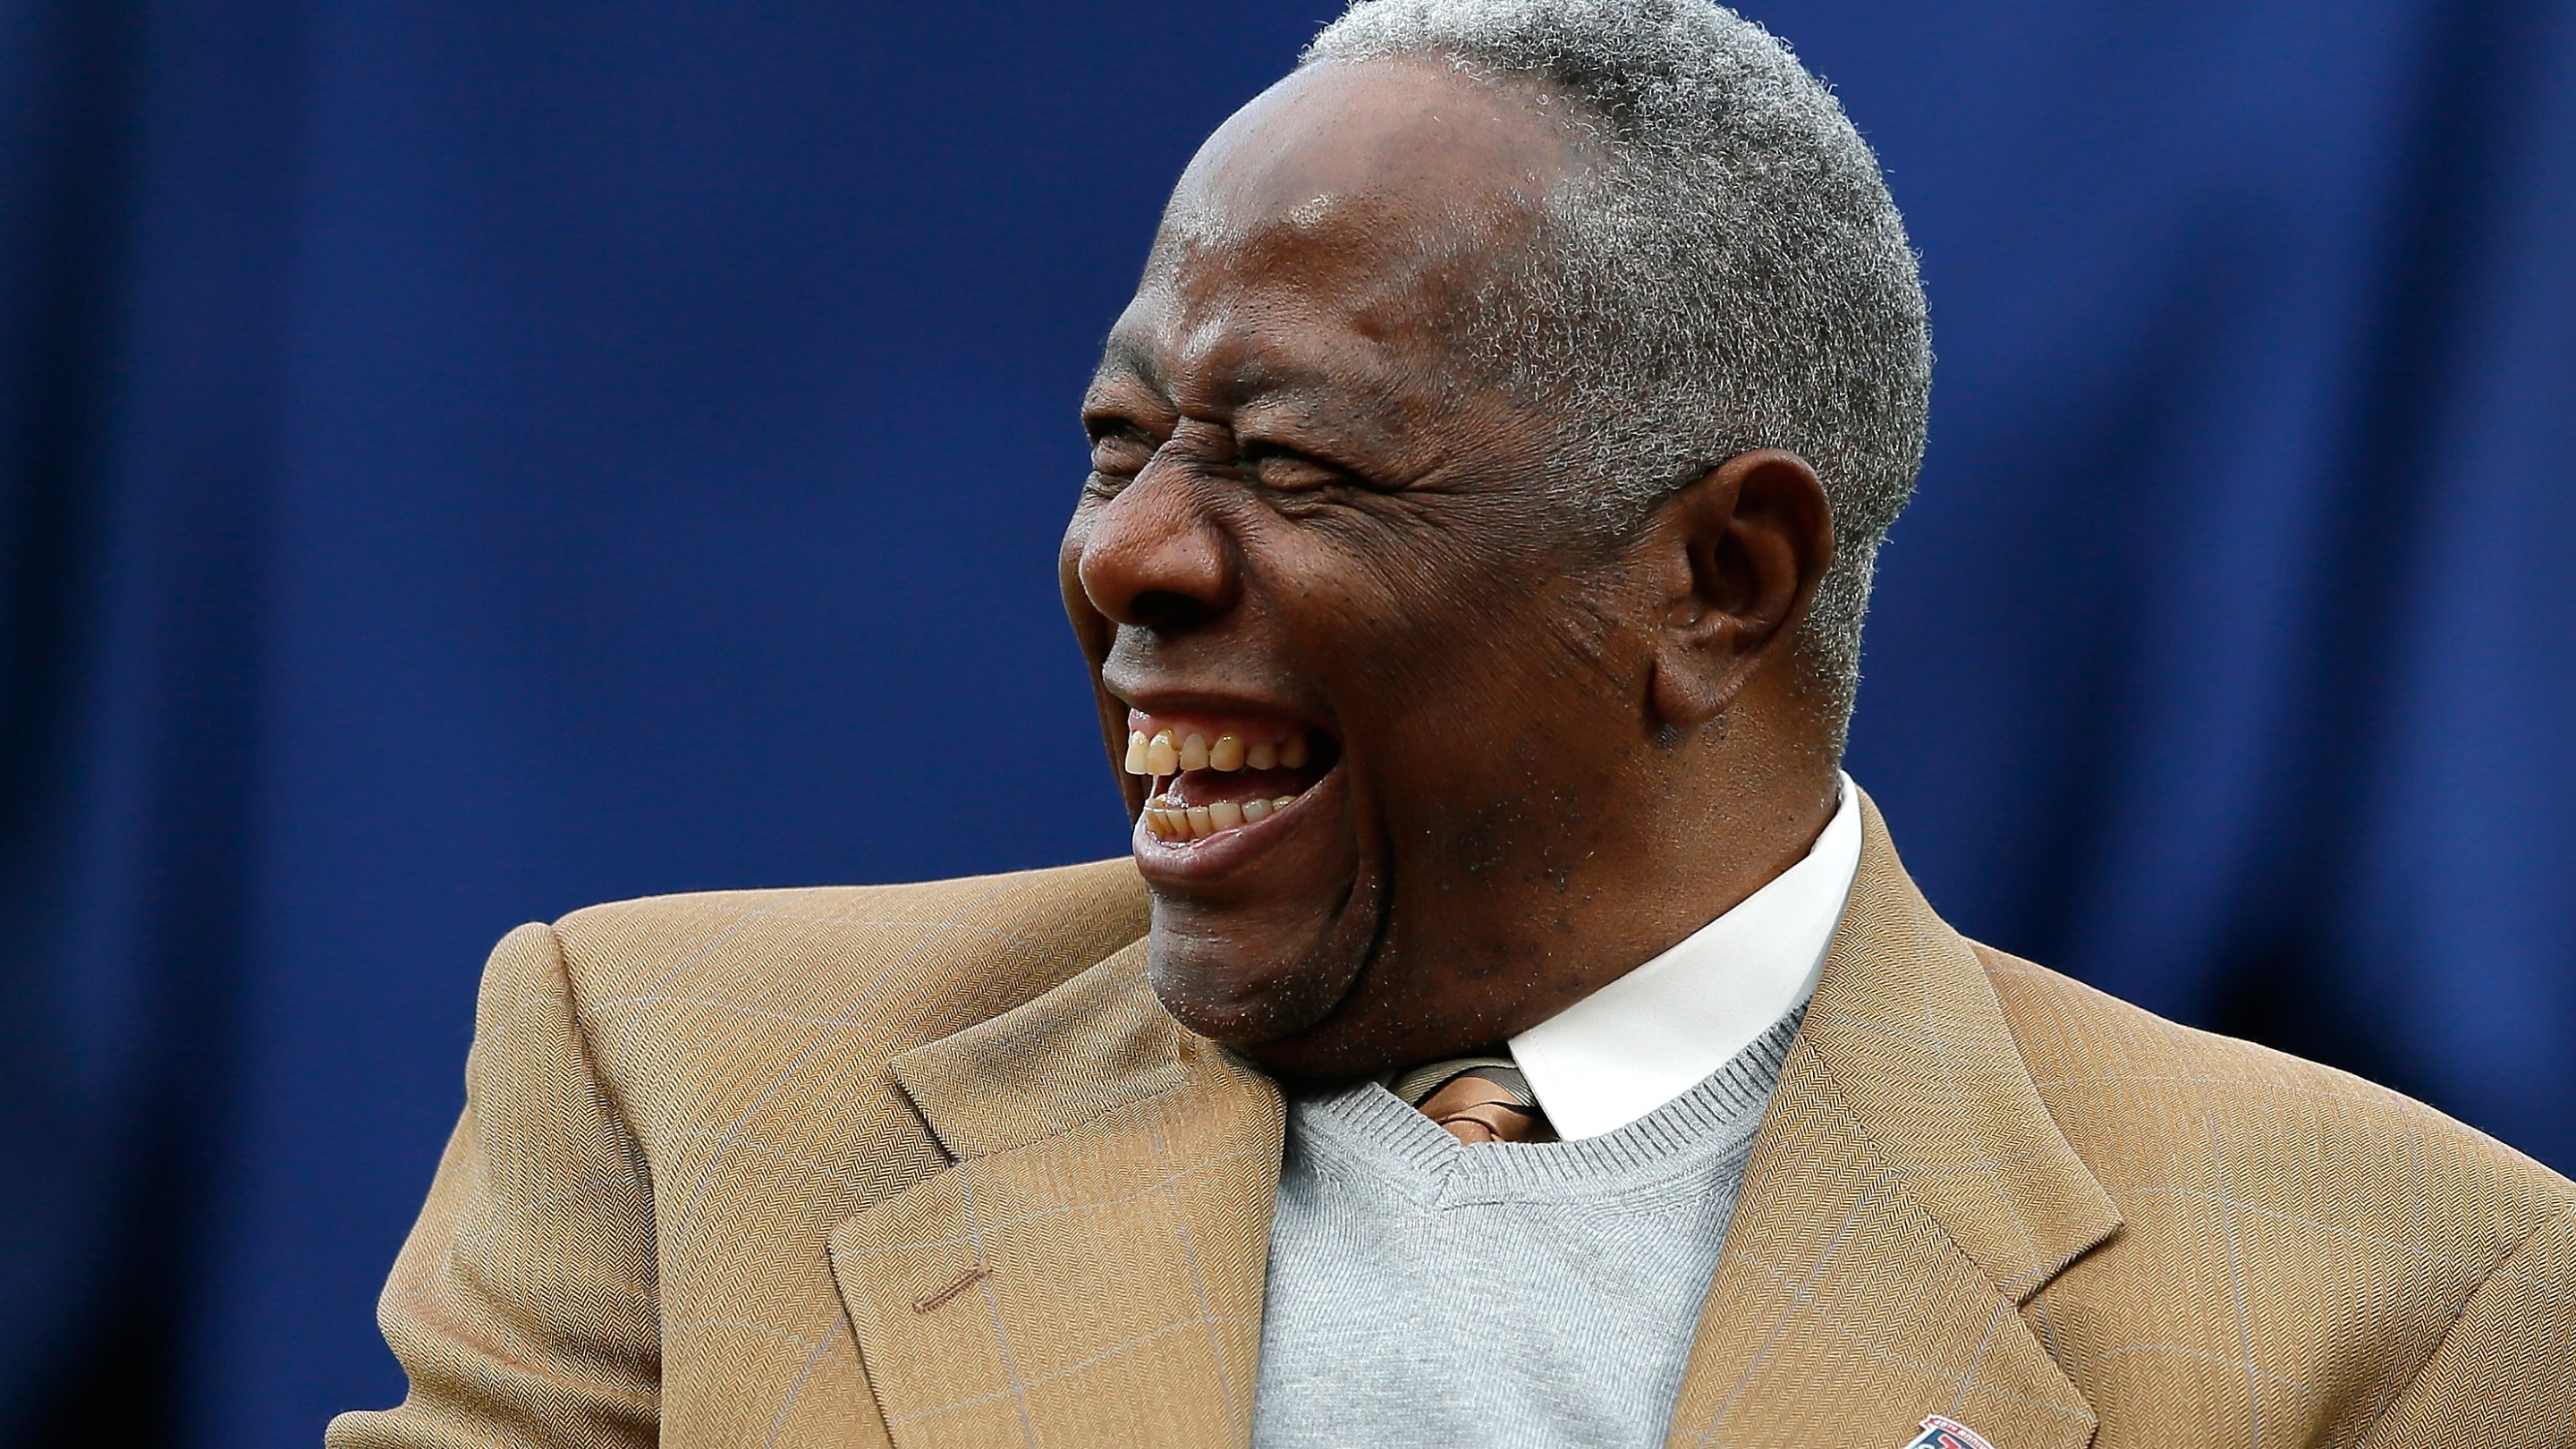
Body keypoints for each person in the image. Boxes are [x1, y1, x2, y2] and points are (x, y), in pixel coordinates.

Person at [327, 2, 2576, 1445]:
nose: (1130, 561)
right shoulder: (677, 1084)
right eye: (1123, 446)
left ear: (1721, 580)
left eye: (1292, 464)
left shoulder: (2401, 1304)